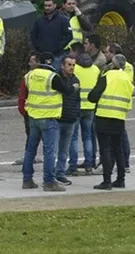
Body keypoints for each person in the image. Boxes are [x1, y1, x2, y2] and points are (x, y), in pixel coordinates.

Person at [22, 52, 75, 192]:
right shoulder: (52, 77)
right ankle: (49, 181)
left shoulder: (29, 75)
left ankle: (27, 179)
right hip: (48, 118)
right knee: (49, 151)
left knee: (30, 150)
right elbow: (67, 90)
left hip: (33, 117)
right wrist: (74, 87)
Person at [89, 55, 135, 190]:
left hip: (103, 116)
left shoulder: (107, 76)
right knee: (118, 149)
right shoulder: (127, 79)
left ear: (113, 64)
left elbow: (93, 96)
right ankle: (121, 179)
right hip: (119, 117)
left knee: (105, 150)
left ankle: (107, 180)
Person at [69, 53, 100, 175]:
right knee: (88, 137)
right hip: (90, 107)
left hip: (77, 106)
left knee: (74, 138)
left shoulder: (74, 68)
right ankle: (89, 165)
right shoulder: (95, 69)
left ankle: (73, 166)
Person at [104, 43, 133, 170]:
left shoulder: (125, 67)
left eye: (107, 52)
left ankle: (124, 162)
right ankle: (119, 162)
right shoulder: (111, 67)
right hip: (116, 104)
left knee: (120, 135)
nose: (105, 55)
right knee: (117, 135)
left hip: (117, 104)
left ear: (114, 54)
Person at [55, 55, 80, 186]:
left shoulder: (76, 80)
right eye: (69, 65)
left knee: (64, 150)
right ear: (62, 65)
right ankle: (51, 174)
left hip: (70, 119)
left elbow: (77, 99)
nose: (71, 67)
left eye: (73, 65)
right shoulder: (57, 79)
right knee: (53, 149)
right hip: (58, 118)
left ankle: (60, 173)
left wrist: (76, 114)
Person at [30, 0, 71, 69]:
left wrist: (58, 47)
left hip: (57, 55)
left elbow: (69, 36)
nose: (47, 8)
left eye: (49, 5)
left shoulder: (63, 20)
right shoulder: (39, 21)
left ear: (54, 5)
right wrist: (38, 48)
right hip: (42, 55)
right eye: (45, 6)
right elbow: (33, 35)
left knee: (56, 73)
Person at [17, 53, 40, 161]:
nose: (29, 64)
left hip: (31, 112)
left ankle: (29, 158)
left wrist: (23, 110)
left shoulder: (28, 77)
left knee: (31, 137)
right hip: (44, 111)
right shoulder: (50, 75)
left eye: (32, 61)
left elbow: (22, 96)